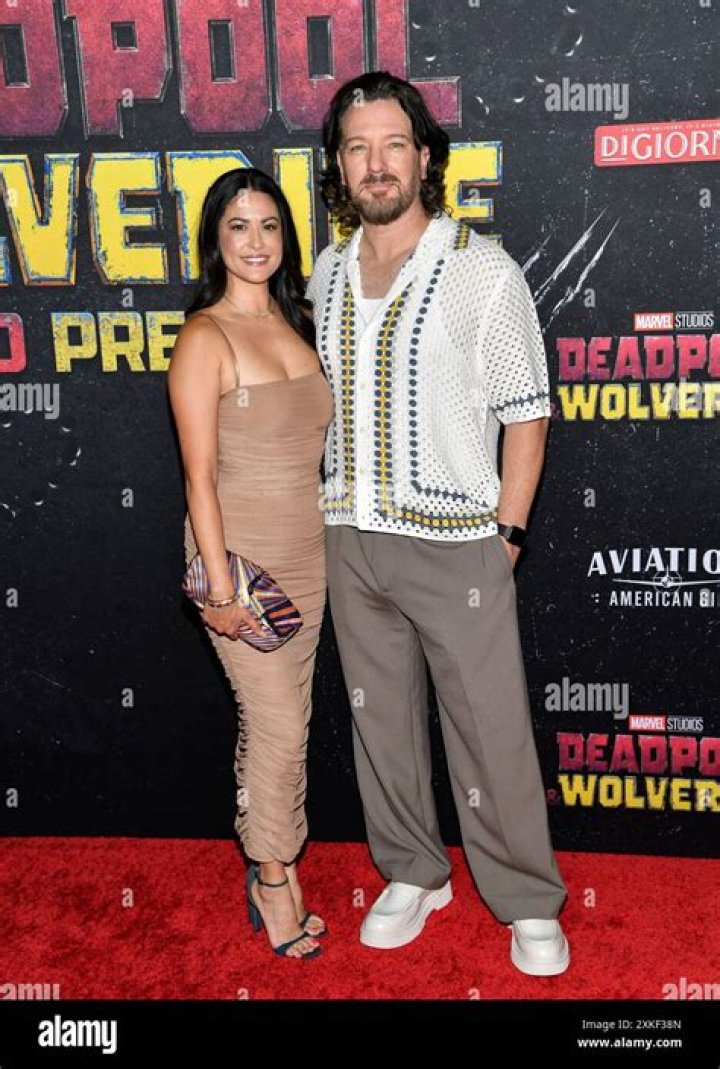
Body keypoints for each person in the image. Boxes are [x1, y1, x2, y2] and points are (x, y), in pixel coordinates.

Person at [305, 72, 570, 975]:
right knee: (379, 724)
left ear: (424, 157)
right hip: (349, 533)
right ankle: (414, 870)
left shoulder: (479, 271)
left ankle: (527, 897)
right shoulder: (327, 272)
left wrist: (508, 535)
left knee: (489, 729)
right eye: (357, 148)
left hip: (459, 542)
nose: (376, 163)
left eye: (393, 145)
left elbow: (528, 414)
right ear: (340, 165)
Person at [167, 167, 334, 960]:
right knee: (278, 726)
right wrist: (220, 585)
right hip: (239, 561)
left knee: (285, 719)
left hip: (307, 553)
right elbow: (197, 475)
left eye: (269, 225)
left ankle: (278, 857)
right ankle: (272, 876)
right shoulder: (205, 337)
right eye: (238, 226)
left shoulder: (299, 323)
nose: (256, 241)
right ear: (215, 239)